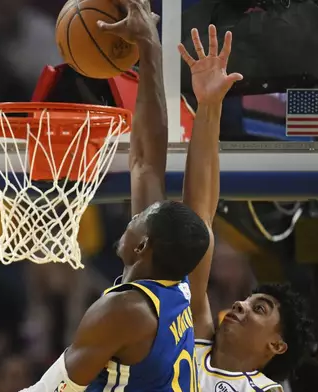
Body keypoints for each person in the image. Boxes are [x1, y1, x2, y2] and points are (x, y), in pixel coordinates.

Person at [21, 1, 211, 391]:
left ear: (143, 245)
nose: (130, 217)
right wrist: (148, 49)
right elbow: (145, 161)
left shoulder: (126, 309)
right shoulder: (172, 289)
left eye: (135, 219)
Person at [178, 25, 315, 391]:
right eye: (250, 302)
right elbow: (199, 221)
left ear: (276, 345)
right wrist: (208, 107)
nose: (239, 305)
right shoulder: (196, 340)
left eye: (259, 309)